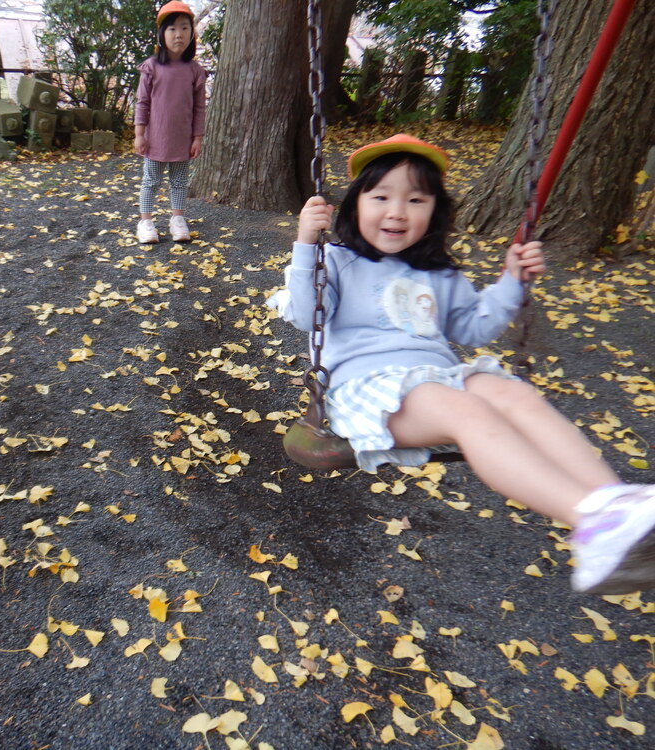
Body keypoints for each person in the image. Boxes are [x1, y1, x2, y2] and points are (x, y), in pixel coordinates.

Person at [268, 133, 655, 596]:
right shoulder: (337, 261)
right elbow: (303, 309)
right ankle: (590, 521)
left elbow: (474, 329)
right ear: (353, 206)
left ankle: (614, 503)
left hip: (438, 378)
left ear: (433, 212)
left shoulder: (440, 274)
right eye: (381, 197)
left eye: (415, 199)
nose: (397, 211)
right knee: (464, 408)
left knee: (512, 393)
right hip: (366, 389)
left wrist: (512, 280)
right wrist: (307, 243)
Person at [133, 1, 207, 245]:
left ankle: (177, 219)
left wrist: (197, 138)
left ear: (192, 34)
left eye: (185, 28)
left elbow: (199, 108)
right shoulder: (151, 67)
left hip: (182, 140)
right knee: (151, 181)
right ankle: (145, 221)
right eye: (172, 29)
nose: (179, 34)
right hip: (155, 139)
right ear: (162, 34)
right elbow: (142, 102)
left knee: (179, 182)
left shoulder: (195, 71)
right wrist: (139, 134)